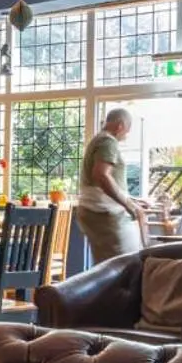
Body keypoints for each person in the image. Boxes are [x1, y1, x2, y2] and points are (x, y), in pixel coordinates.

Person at [76, 108, 150, 262]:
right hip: (103, 213)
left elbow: (101, 180)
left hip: (95, 211)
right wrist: (128, 204)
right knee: (120, 267)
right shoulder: (108, 142)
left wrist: (132, 199)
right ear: (120, 126)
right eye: (127, 132)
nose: (126, 136)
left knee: (110, 266)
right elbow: (101, 175)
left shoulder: (98, 140)